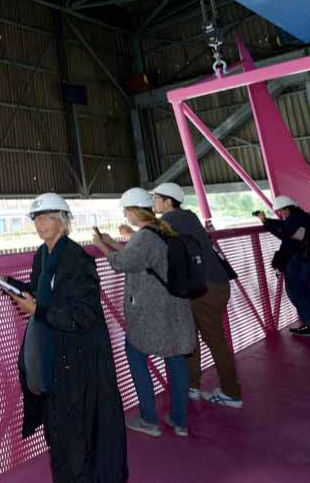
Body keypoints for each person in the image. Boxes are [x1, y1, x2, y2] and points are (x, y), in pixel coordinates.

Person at [0, 193, 128, 482]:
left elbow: (85, 315)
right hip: (56, 355)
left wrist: (38, 311)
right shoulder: (43, 255)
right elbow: (41, 292)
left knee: (78, 431)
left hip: (79, 360)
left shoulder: (77, 259)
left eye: (47, 217)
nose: (40, 224)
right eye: (36, 218)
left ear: (63, 222)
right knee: (57, 429)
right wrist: (10, 285)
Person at [92, 187, 196, 438]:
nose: (125, 216)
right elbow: (139, 257)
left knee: (135, 353)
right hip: (175, 306)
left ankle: (149, 419)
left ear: (133, 211)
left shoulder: (143, 237)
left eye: (126, 211)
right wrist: (112, 242)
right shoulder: (162, 230)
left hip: (153, 311)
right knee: (175, 359)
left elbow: (122, 263)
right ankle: (179, 420)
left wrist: (100, 245)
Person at [152, 182, 242, 409]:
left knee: (214, 340)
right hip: (210, 284)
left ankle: (232, 393)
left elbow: (148, 240)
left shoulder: (171, 219)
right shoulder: (188, 216)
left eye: (156, 198)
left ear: (168, 201)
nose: (154, 202)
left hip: (205, 287)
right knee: (191, 335)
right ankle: (192, 385)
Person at [257, 195, 310, 336]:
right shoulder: (303, 217)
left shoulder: (294, 220)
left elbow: (285, 234)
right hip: (308, 257)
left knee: (296, 293)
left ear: (288, 208)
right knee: (305, 291)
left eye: (281, 211)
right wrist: (267, 220)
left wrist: (267, 225)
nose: (281, 214)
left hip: (296, 259)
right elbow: (285, 225)